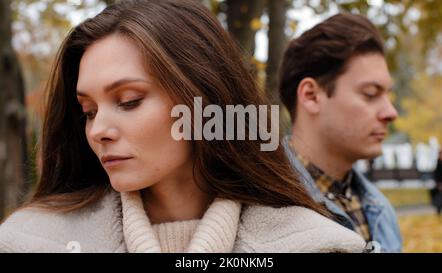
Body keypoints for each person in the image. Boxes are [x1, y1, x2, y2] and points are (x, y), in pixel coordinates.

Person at [0, 0, 366, 253]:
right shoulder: (29, 241)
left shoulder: (318, 244)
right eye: (89, 110)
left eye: (129, 101)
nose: (98, 131)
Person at [278, 13, 402, 252]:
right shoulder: (260, 206)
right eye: (370, 94)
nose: (390, 112)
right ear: (311, 96)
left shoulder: (380, 209)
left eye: (387, 94)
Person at [431, 149, 442, 215]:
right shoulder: (439, 162)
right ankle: (439, 210)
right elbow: (437, 174)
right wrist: (438, 183)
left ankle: (440, 210)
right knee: (440, 197)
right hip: (440, 183)